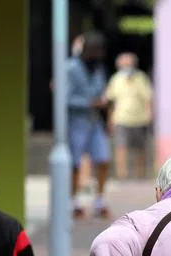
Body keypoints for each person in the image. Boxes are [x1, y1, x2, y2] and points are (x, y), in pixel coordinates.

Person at [68, 31, 112, 219]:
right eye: (94, 51)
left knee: (103, 159)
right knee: (75, 163)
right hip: (76, 122)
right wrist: (89, 103)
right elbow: (65, 98)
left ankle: (99, 201)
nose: (97, 55)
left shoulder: (98, 69)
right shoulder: (70, 68)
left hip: (94, 122)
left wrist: (103, 101)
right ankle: (74, 202)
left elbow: (100, 91)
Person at [105, 52, 154, 180]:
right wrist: (110, 120)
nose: (127, 66)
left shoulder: (141, 78)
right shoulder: (116, 79)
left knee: (140, 149)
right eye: (124, 63)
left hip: (140, 119)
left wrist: (150, 115)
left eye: (129, 63)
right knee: (121, 148)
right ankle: (122, 175)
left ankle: (140, 175)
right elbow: (112, 101)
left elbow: (148, 98)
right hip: (121, 118)